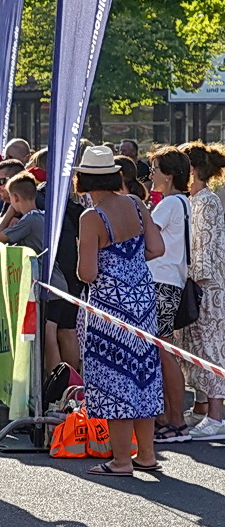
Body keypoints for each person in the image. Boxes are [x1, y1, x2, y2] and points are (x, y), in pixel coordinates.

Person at [73, 144, 165, 473]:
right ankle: (147, 455)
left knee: (115, 378)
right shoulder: (137, 204)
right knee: (143, 375)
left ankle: (122, 459)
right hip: (142, 302)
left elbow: (88, 273)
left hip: (109, 309)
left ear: (82, 180)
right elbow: (156, 248)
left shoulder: (91, 217)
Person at [145, 149, 193, 442]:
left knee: (163, 351)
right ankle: (169, 416)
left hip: (161, 280)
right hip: (171, 280)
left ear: (169, 174)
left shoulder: (169, 204)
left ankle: (176, 420)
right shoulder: (182, 203)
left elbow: (145, 233)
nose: (151, 176)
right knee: (164, 350)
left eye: (155, 169)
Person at [181, 142, 225, 437]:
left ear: (192, 170)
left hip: (208, 286)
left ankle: (217, 416)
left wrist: (196, 281)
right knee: (195, 345)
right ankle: (200, 407)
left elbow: (204, 246)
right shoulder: (195, 199)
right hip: (199, 283)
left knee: (211, 347)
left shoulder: (207, 200)